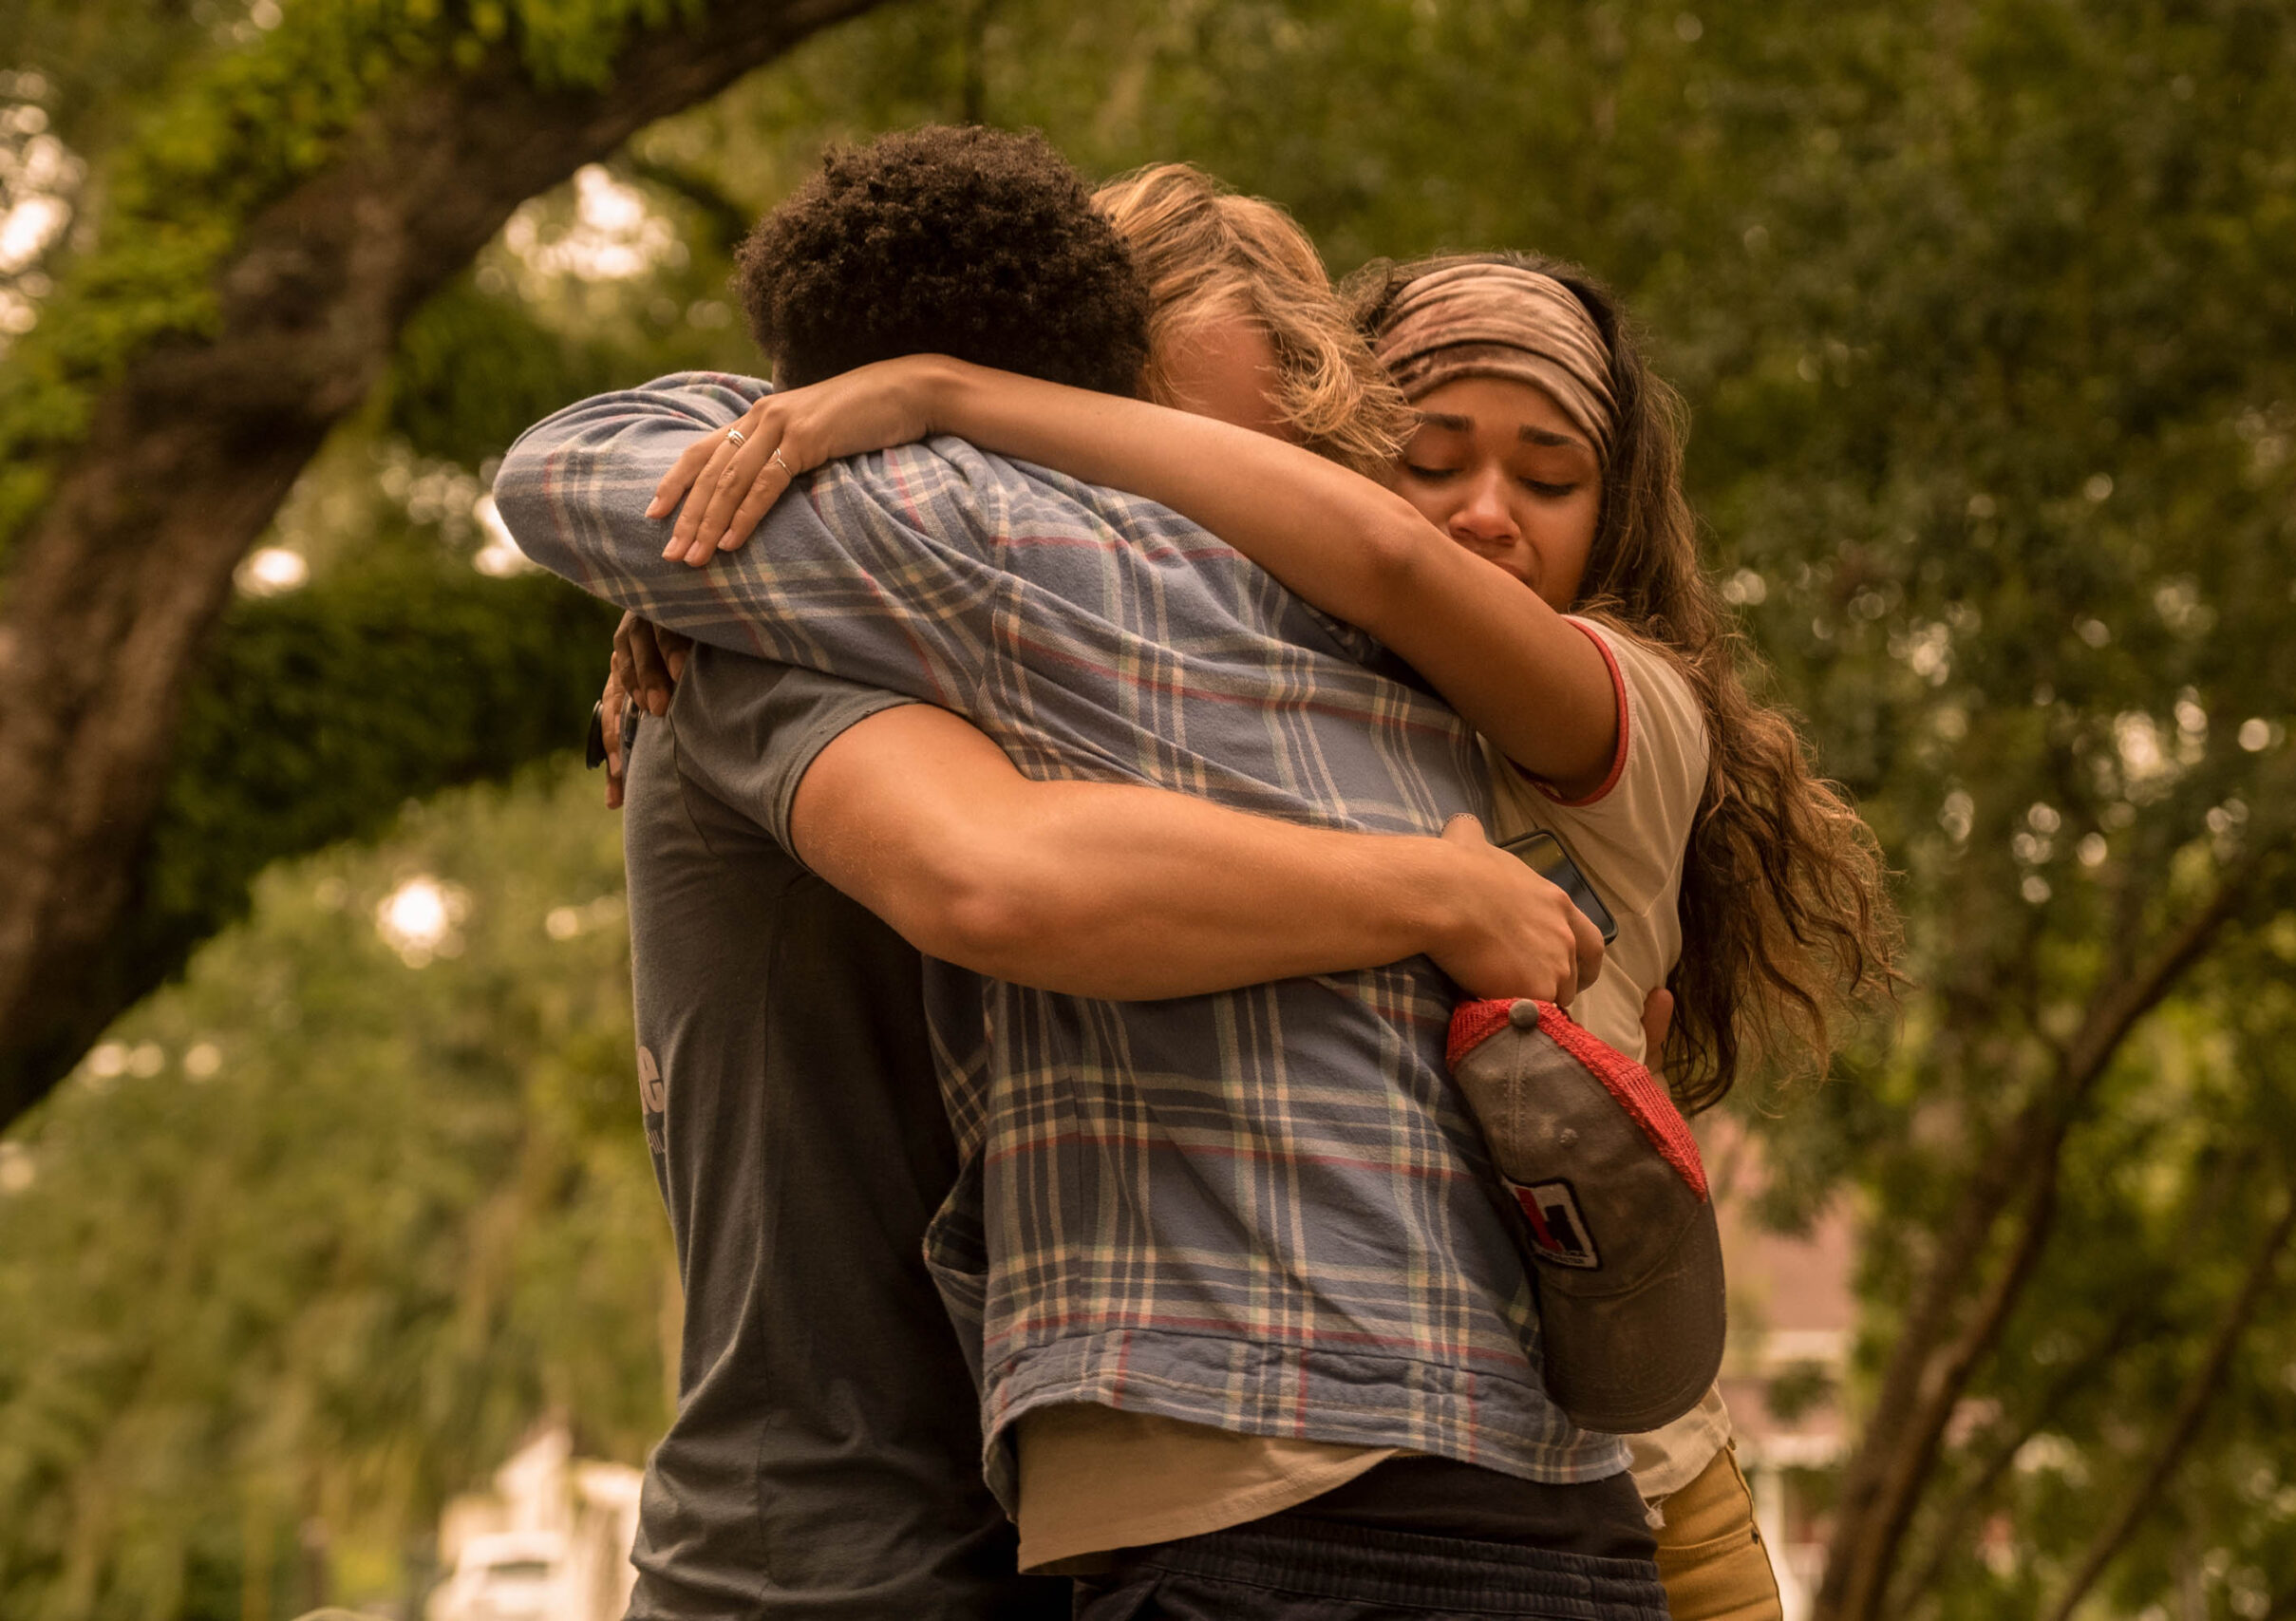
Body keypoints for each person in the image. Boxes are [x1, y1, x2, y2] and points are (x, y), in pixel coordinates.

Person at [500, 129, 1667, 1620]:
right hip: (838, 1549)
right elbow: (997, 875)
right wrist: (1433, 893)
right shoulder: (836, 618)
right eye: (1137, 465)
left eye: (1253, 490)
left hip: (1098, 1522)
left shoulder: (1331, 675)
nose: (1193, 556)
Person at [655, 237, 1894, 1615]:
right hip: (1392, 1477)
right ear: (1346, 450)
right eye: (1433, 459)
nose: (1490, 513)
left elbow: (1381, 564)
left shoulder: (1623, 709)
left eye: (1551, 480)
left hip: (1648, 1494)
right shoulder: (1250, 695)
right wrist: (717, 572)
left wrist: (941, 394)